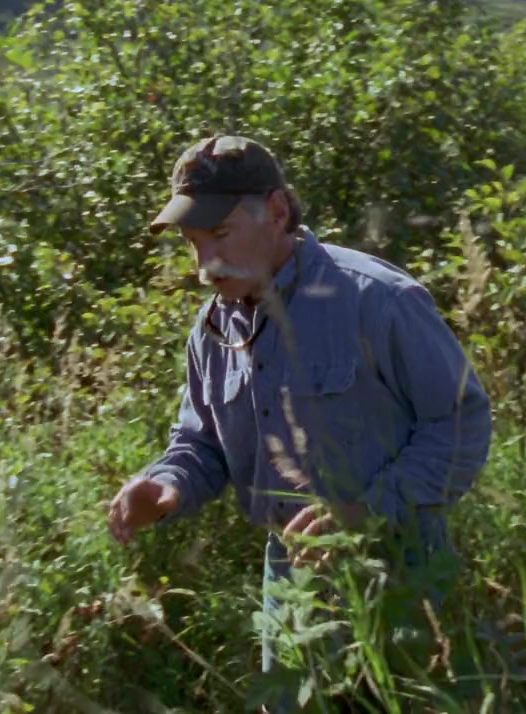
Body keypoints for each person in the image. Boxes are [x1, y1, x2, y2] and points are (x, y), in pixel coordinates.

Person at [106, 135, 493, 709]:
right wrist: (168, 486)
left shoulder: (377, 300)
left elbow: (461, 423)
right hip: (291, 581)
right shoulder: (213, 332)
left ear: (278, 211)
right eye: (193, 243)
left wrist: (366, 509)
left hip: (403, 576)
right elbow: (201, 441)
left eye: (220, 234)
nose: (205, 265)